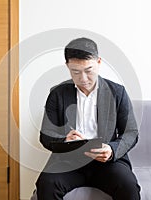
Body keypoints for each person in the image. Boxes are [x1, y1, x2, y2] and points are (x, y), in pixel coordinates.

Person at [35, 37, 140, 200]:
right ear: (67, 66)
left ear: (98, 62)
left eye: (88, 70)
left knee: (128, 185)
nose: (83, 78)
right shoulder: (57, 93)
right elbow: (46, 135)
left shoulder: (117, 92)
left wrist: (112, 150)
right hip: (68, 161)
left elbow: (131, 132)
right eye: (75, 72)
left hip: (107, 163)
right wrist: (64, 140)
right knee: (46, 183)